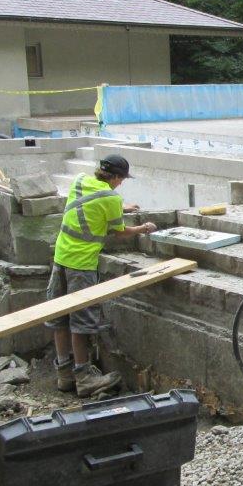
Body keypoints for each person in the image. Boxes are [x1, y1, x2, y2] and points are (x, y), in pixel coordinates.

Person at [46, 154, 157, 397]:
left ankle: (64, 375)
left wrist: (121, 208)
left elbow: (90, 204)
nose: (122, 183)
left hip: (60, 258)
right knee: (81, 322)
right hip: (82, 265)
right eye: (122, 179)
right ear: (116, 177)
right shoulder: (110, 197)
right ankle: (84, 377)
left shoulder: (79, 180)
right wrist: (143, 228)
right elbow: (120, 232)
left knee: (59, 319)